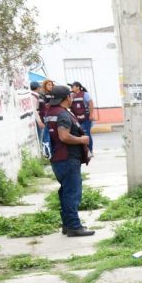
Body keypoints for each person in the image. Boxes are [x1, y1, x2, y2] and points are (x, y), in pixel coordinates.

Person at [45, 84, 94, 237]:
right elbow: (64, 136)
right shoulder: (63, 114)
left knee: (66, 192)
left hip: (58, 158)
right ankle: (74, 226)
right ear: (67, 97)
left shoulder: (50, 112)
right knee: (72, 193)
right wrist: (82, 140)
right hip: (67, 158)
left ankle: (67, 224)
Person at [68, 82, 94, 151]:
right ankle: (83, 151)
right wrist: (71, 98)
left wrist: (91, 115)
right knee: (77, 135)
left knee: (86, 134)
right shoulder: (71, 95)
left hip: (85, 118)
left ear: (78, 87)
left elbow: (91, 104)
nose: (71, 88)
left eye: (72, 86)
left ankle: (89, 150)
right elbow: (69, 106)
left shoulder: (85, 94)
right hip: (76, 119)